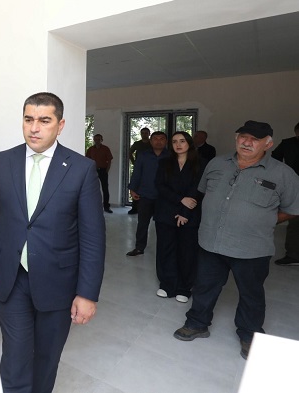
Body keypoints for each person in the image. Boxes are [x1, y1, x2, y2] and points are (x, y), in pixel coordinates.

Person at [0, 92, 105, 393]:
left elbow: (92, 238)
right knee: (15, 357)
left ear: (60, 125)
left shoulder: (81, 169)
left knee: (46, 359)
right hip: (11, 277)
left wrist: (87, 293)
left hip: (58, 282)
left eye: (44, 121)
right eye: (28, 119)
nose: (34, 128)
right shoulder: (3, 161)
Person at [173, 120, 299, 360]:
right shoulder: (216, 164)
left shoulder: (283, 174)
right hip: (211, 242)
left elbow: (293, 208)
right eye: (243, 136)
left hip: (252, 247)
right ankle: (197, 323)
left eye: (255, 139)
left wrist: (266, 220)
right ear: (236, 138)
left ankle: (250, 335)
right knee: (204, 286)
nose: (247, 142)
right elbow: (204, 193)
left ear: (268, 144)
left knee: (251, 294)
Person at [154, 131, 206, 303]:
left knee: (187, 252)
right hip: (166, 212)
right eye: (175, 141)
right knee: (166, 249)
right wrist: (180, 199)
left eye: (182, 141)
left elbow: (198, 190)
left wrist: (184, 213)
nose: (178, 144)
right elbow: (160, 186)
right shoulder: (164, 162)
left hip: (190, 214)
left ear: (189, 143)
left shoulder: (200, 163)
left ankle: (184, 287)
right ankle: (167, 284)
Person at [126, 131, 169, 256]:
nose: (158, 141)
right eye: (155, 139)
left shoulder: (171, 156)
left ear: (166, 142)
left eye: (161, 139)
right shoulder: (143, 155)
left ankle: (164, 249)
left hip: (165, 196)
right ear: (151, 141)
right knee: (142, 223)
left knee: (164, 225)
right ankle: (139, 247)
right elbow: (137, 172)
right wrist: (132, 189)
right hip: (145, 194)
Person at [272, 121, 299, 265]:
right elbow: (274, 158)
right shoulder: (287, 143)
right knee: (295, 220)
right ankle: (294, 255)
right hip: (294, 185)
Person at [86, 133, 114, 213]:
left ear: (102, 140)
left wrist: (107, 170)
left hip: (103, 170)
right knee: (92, 189)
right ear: (94, 140)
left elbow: (109, 160)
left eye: (99, 139)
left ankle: (106, 207)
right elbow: (87, 159)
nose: (97, 141)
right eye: (95, 139)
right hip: (93, 171)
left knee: (105, 189)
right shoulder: (91, 149)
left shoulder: (105, 149)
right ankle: (92, 206)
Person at [128, 127, 152, 214]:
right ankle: (135, 207)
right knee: (136, 186)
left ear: (149, 134)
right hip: (139, 168)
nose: (144, 135)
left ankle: (151, 209)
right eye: (143, 133)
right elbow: (129, 152)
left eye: (146, 133)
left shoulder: (152, 143)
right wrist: (134, 162)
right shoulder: (137, 144)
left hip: (150, 168)